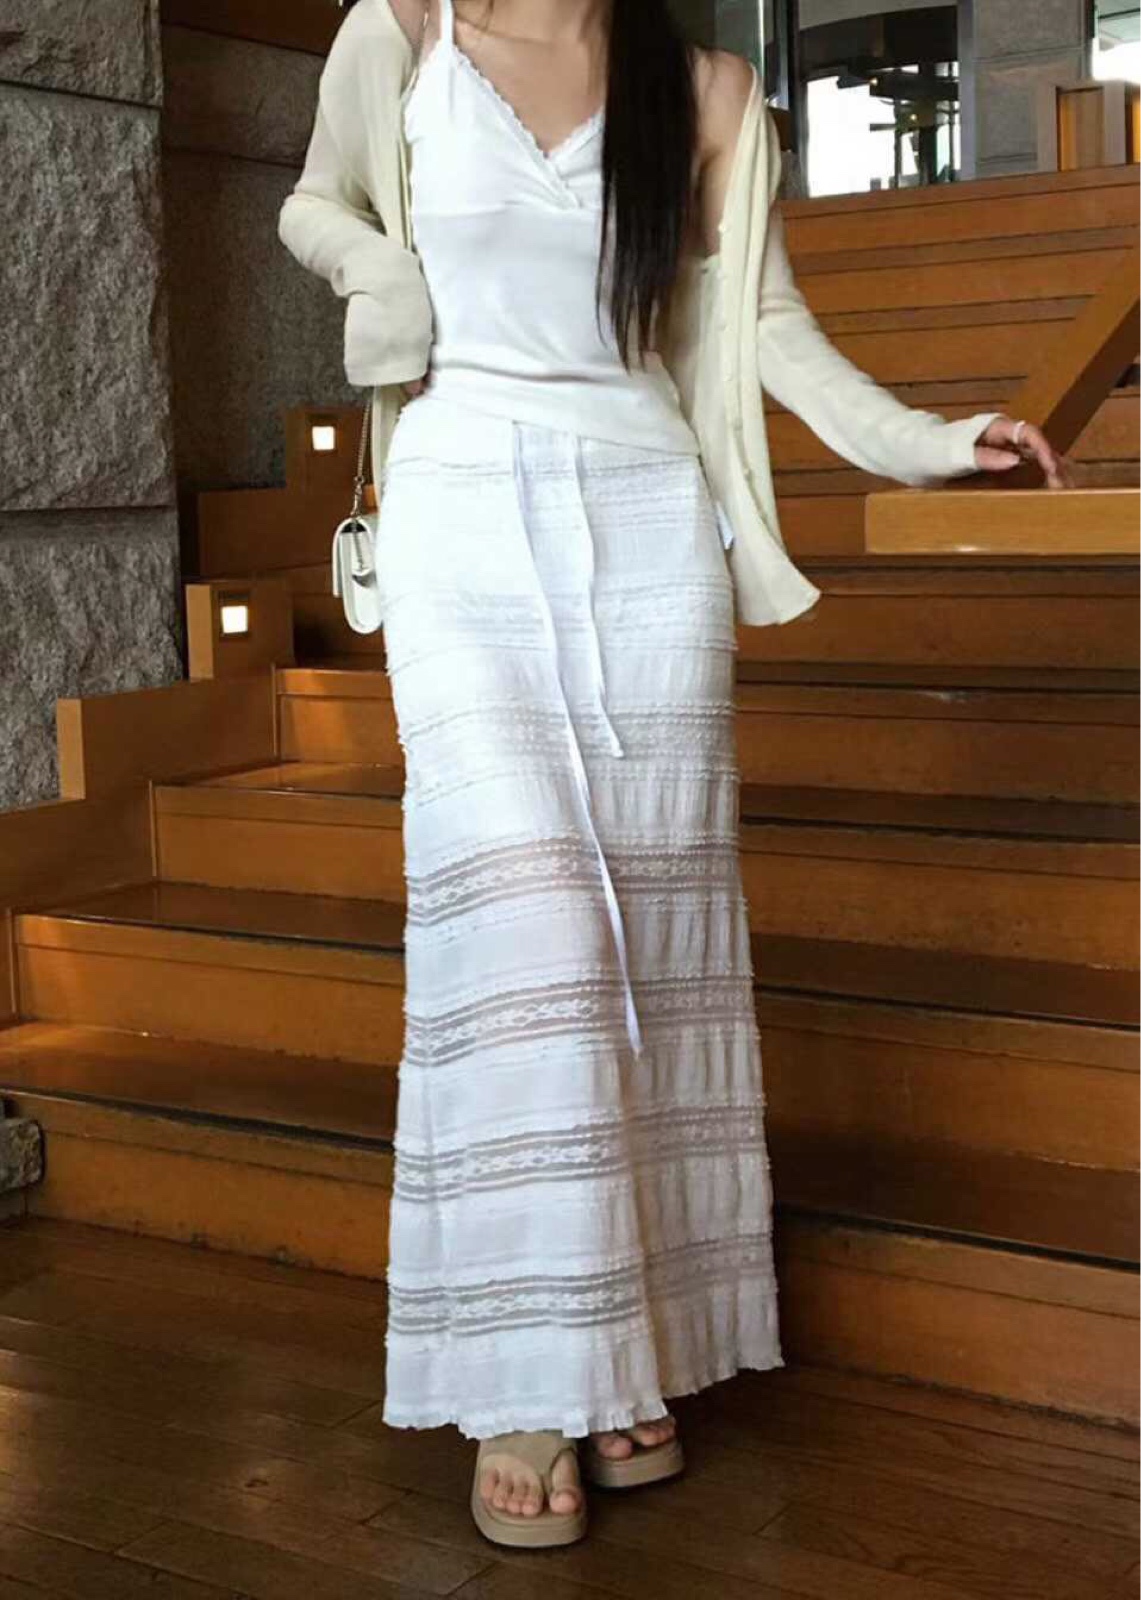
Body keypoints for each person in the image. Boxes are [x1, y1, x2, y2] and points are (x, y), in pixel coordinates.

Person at [279, 0, 1066, 1551]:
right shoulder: (405, 33)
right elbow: (315, 202)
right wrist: (380, 271)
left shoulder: (702, 89)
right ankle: (527, 1378)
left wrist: (926, 440)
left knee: (645, 945)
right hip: (460, 509)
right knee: (533, 931)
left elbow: (759, 325)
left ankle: (622, 1344)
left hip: (644, 520)